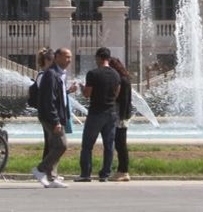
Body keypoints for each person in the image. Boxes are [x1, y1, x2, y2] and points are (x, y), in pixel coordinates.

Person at [74, 47, 120, 182]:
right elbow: (116, 93)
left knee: (87, 145)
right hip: (111, 113)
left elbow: (87, 94)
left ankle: (85, 174)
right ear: (109, 58)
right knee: (109, 145)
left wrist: (82, 87)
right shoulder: (116, 75)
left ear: (98, 58)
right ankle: (105, 174)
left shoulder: (93, 74)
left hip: (96, 112)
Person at [32, 48, 73, 189]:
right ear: (57, 57)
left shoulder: (59, 74)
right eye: (66, 57)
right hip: (50, 117)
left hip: (57, 116)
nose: (69, 60)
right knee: (62, 145)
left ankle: (52, 177)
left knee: (55, 146)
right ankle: (40, 170)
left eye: (70, 57)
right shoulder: (51, 74)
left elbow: (59, 96)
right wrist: (55, 120)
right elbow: (49, 100)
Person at [108, 57, 133, 182]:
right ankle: (122, 170)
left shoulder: (121, 81)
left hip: (120, 116)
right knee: (120, 144)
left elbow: (120, 99)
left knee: (120, 144)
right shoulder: (125, 79)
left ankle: (123, 171)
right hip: (123, 115)